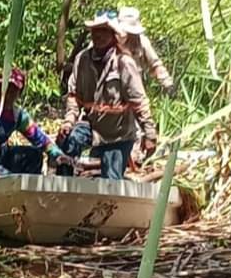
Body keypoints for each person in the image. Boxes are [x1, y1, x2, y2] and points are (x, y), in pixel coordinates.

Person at [57, 13, 157, 180]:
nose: (99, 36)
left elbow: (139, 102)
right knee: (69, 144)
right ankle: (62, 189)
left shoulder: (124, 63)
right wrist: (69, 121)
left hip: (118, 133)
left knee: (111, 179)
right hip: (91, 125)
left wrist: (150, 134)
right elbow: (74, 96)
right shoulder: (82, 59)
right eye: (95, 32)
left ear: (113, 36)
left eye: (104, 32)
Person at [116, 6, 175, 96]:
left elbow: (155, 65)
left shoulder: (142, 42)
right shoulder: (108, 40)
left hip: (134, 90)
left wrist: (168, 84)